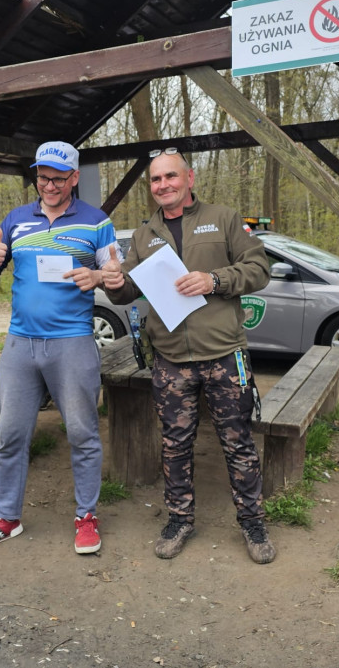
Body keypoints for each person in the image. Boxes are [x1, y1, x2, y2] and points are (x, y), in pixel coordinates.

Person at [101, 149, 276, 564]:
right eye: (156, 179)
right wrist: (114, 283)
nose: (163, 185)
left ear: (189, 178)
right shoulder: (144, 235)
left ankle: (252, 522)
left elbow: (259, 269)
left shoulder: (225, 218)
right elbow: (129, 290)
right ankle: (180, 519)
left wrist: (214, 280)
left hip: (224, 353)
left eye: (170, 176)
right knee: (175, 444)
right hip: (171, 358)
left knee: (238, 442)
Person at [0, 141, 121, 557]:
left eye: (58, 178)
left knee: (83, 434)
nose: (49, 186)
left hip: (72, 342)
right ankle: (6, 517)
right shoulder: (15, 220)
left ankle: (86, 516)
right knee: (10, 435)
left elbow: (115, 275)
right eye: (42, 177)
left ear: (74, 178)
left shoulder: (97, 222)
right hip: (20, 344)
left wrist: (100, 277)